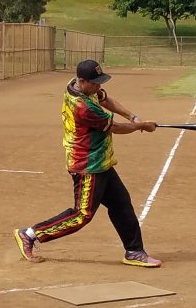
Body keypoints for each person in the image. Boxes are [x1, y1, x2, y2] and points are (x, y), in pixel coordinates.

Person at [13, 59, 162, 268]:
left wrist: (133, 116)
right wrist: (140, 126)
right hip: (87, 165)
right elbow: (115, 128)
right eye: (95, 83)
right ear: (83, 81)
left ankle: (134, 251)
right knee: (81, 214)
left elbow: (105, 99)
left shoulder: (77, 86)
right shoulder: (83, 107)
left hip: (101, 162)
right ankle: (30, 234)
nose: (99, 86)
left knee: (121, 204)